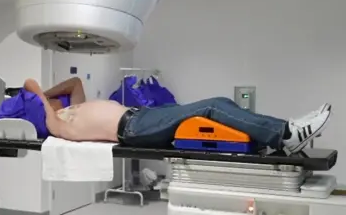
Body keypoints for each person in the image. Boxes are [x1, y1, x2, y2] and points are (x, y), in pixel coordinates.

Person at [24, 79, 332, 154]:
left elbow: (74, 84)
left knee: (219, 102)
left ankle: (280, 135)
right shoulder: (57, 126)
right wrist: (40, 99)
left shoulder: (73, 108)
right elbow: (31, 84)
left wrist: (51, 93)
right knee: (209, 108)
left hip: (143, 116)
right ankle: (286, 134)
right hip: (133, 128)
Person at [0, 77, 86, 138]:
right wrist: (45, 100)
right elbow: (76, 82)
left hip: (29, 114)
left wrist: (48, 109)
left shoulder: (52, 125)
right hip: (48, 106)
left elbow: (29, 83)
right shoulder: (75, 106)